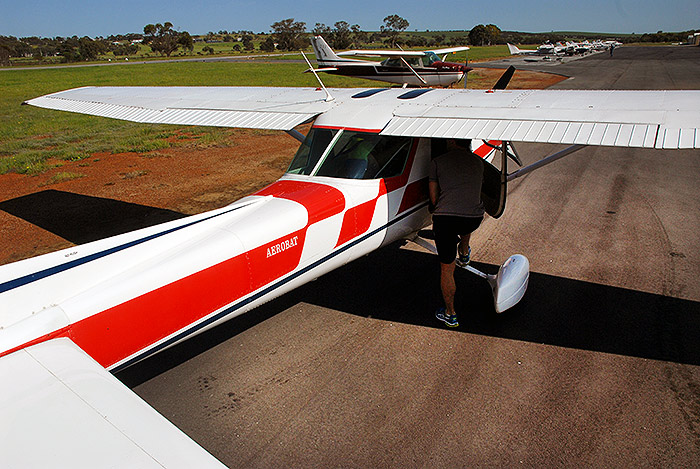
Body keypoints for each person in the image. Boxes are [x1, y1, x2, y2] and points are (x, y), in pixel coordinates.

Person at [428, 138, 484, 327]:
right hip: (473, 219)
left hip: (446, 220)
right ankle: (465, 249)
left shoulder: (436, 162)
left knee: (447, 268)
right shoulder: (479, 162)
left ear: (451, 141)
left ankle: (450, 314)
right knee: (467, 214)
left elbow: (434, 199)